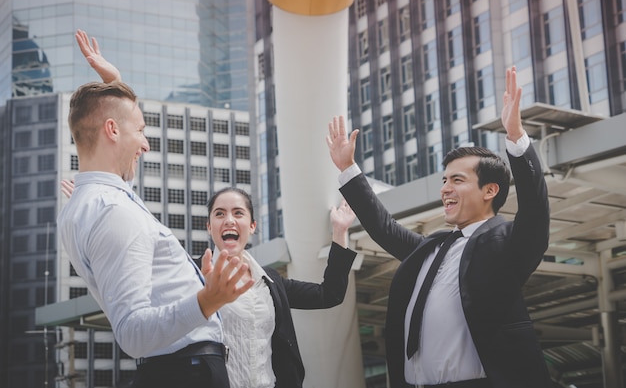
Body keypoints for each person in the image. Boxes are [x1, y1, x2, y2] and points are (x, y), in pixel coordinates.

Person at [326, 66, 552, 388]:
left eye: (457, 180)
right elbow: (383, 227)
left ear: (490, 191)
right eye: (444, 180)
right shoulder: (430, 248)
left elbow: (534, 211)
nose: (445, 188)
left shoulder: (506, 243)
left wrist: (516, 137)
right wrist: (348, 169)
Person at [58, 74, 254, 388]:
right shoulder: (114, 211)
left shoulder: (88, 206)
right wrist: (208, 299)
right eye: (140, 130)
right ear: (112, 129)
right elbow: (132, 333)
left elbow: (120, 181)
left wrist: (114, 83)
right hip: (187, 373)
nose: (146, 144)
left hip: (179, 369)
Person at [204, 188, 358, 388]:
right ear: (209, 227)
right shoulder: (193, 274)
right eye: (219, 214)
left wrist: (340, 231)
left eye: (238, 212)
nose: (229, 220)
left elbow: (329, 295)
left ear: (252, 226)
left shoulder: (270, 281)